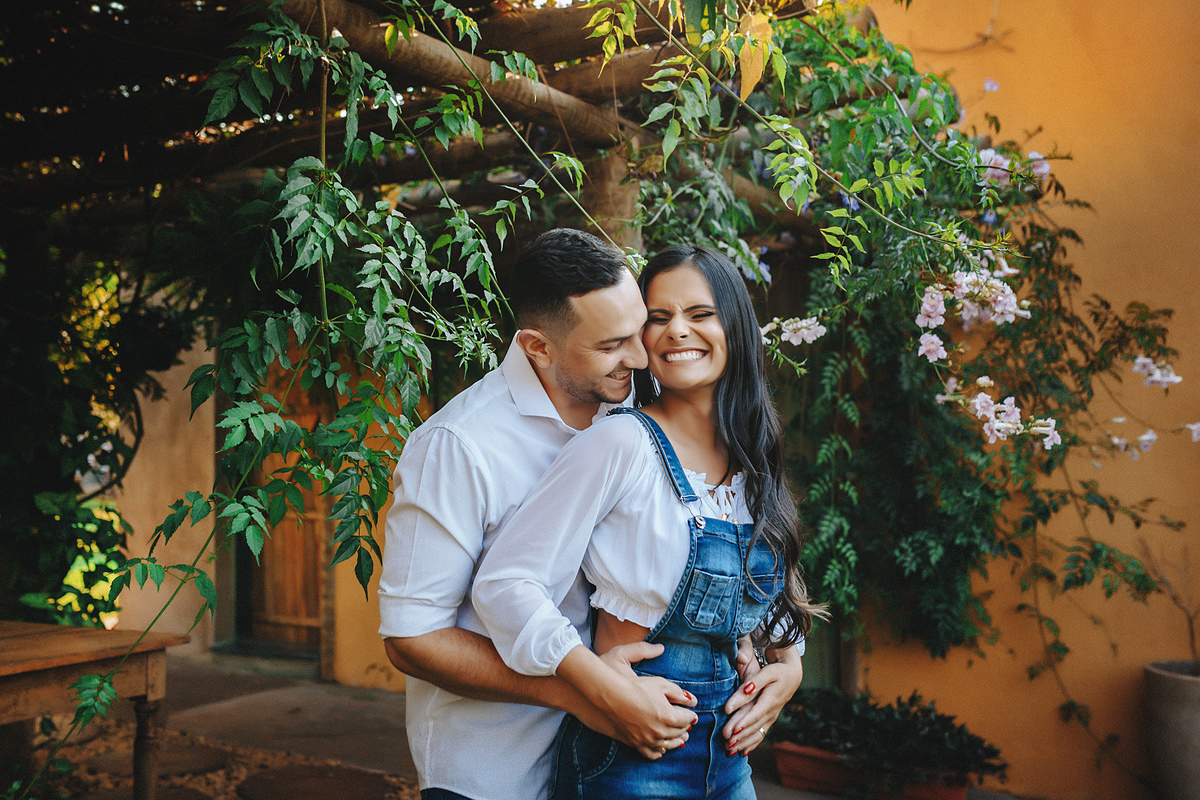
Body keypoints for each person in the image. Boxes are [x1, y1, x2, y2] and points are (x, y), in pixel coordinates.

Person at [473, 245, 825, 799]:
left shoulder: (753, 458)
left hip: (731, 763)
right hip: (631, 757)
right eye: (657, 318)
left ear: (734, 324)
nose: (676, 331)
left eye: (700, 314)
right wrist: (595, 683)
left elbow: (764, 586)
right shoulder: (620, 443)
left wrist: (789, 668)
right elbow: (506, 585)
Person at [378, 229, 701, 800]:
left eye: (638, 330)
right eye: (610, 345)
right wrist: (583, 691)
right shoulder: (457, 446)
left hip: (614, 762)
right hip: (492, 771)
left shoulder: (638, 409)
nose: (638, 355)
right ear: (537, 347)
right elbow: (411, 638)